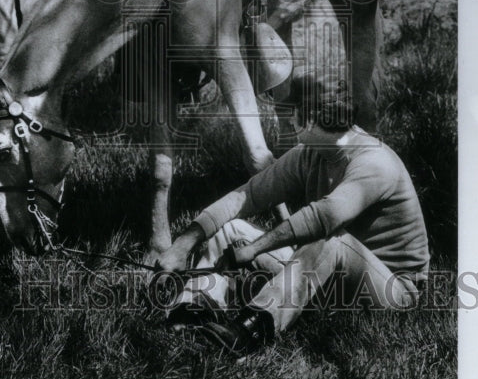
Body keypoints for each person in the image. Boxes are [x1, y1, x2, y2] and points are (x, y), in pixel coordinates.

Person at [154, 75, 430, 354]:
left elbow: (323, 218)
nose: (283, 122)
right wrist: (183, 244)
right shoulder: (311, 154)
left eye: (288, 114)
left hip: (391, 293)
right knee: (231, 229)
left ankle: (250, 330)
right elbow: (247, 195)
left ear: (307, 119)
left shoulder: (375, 161)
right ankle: (192, 312)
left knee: (327, 239)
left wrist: (254, 249)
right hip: (328, 273)